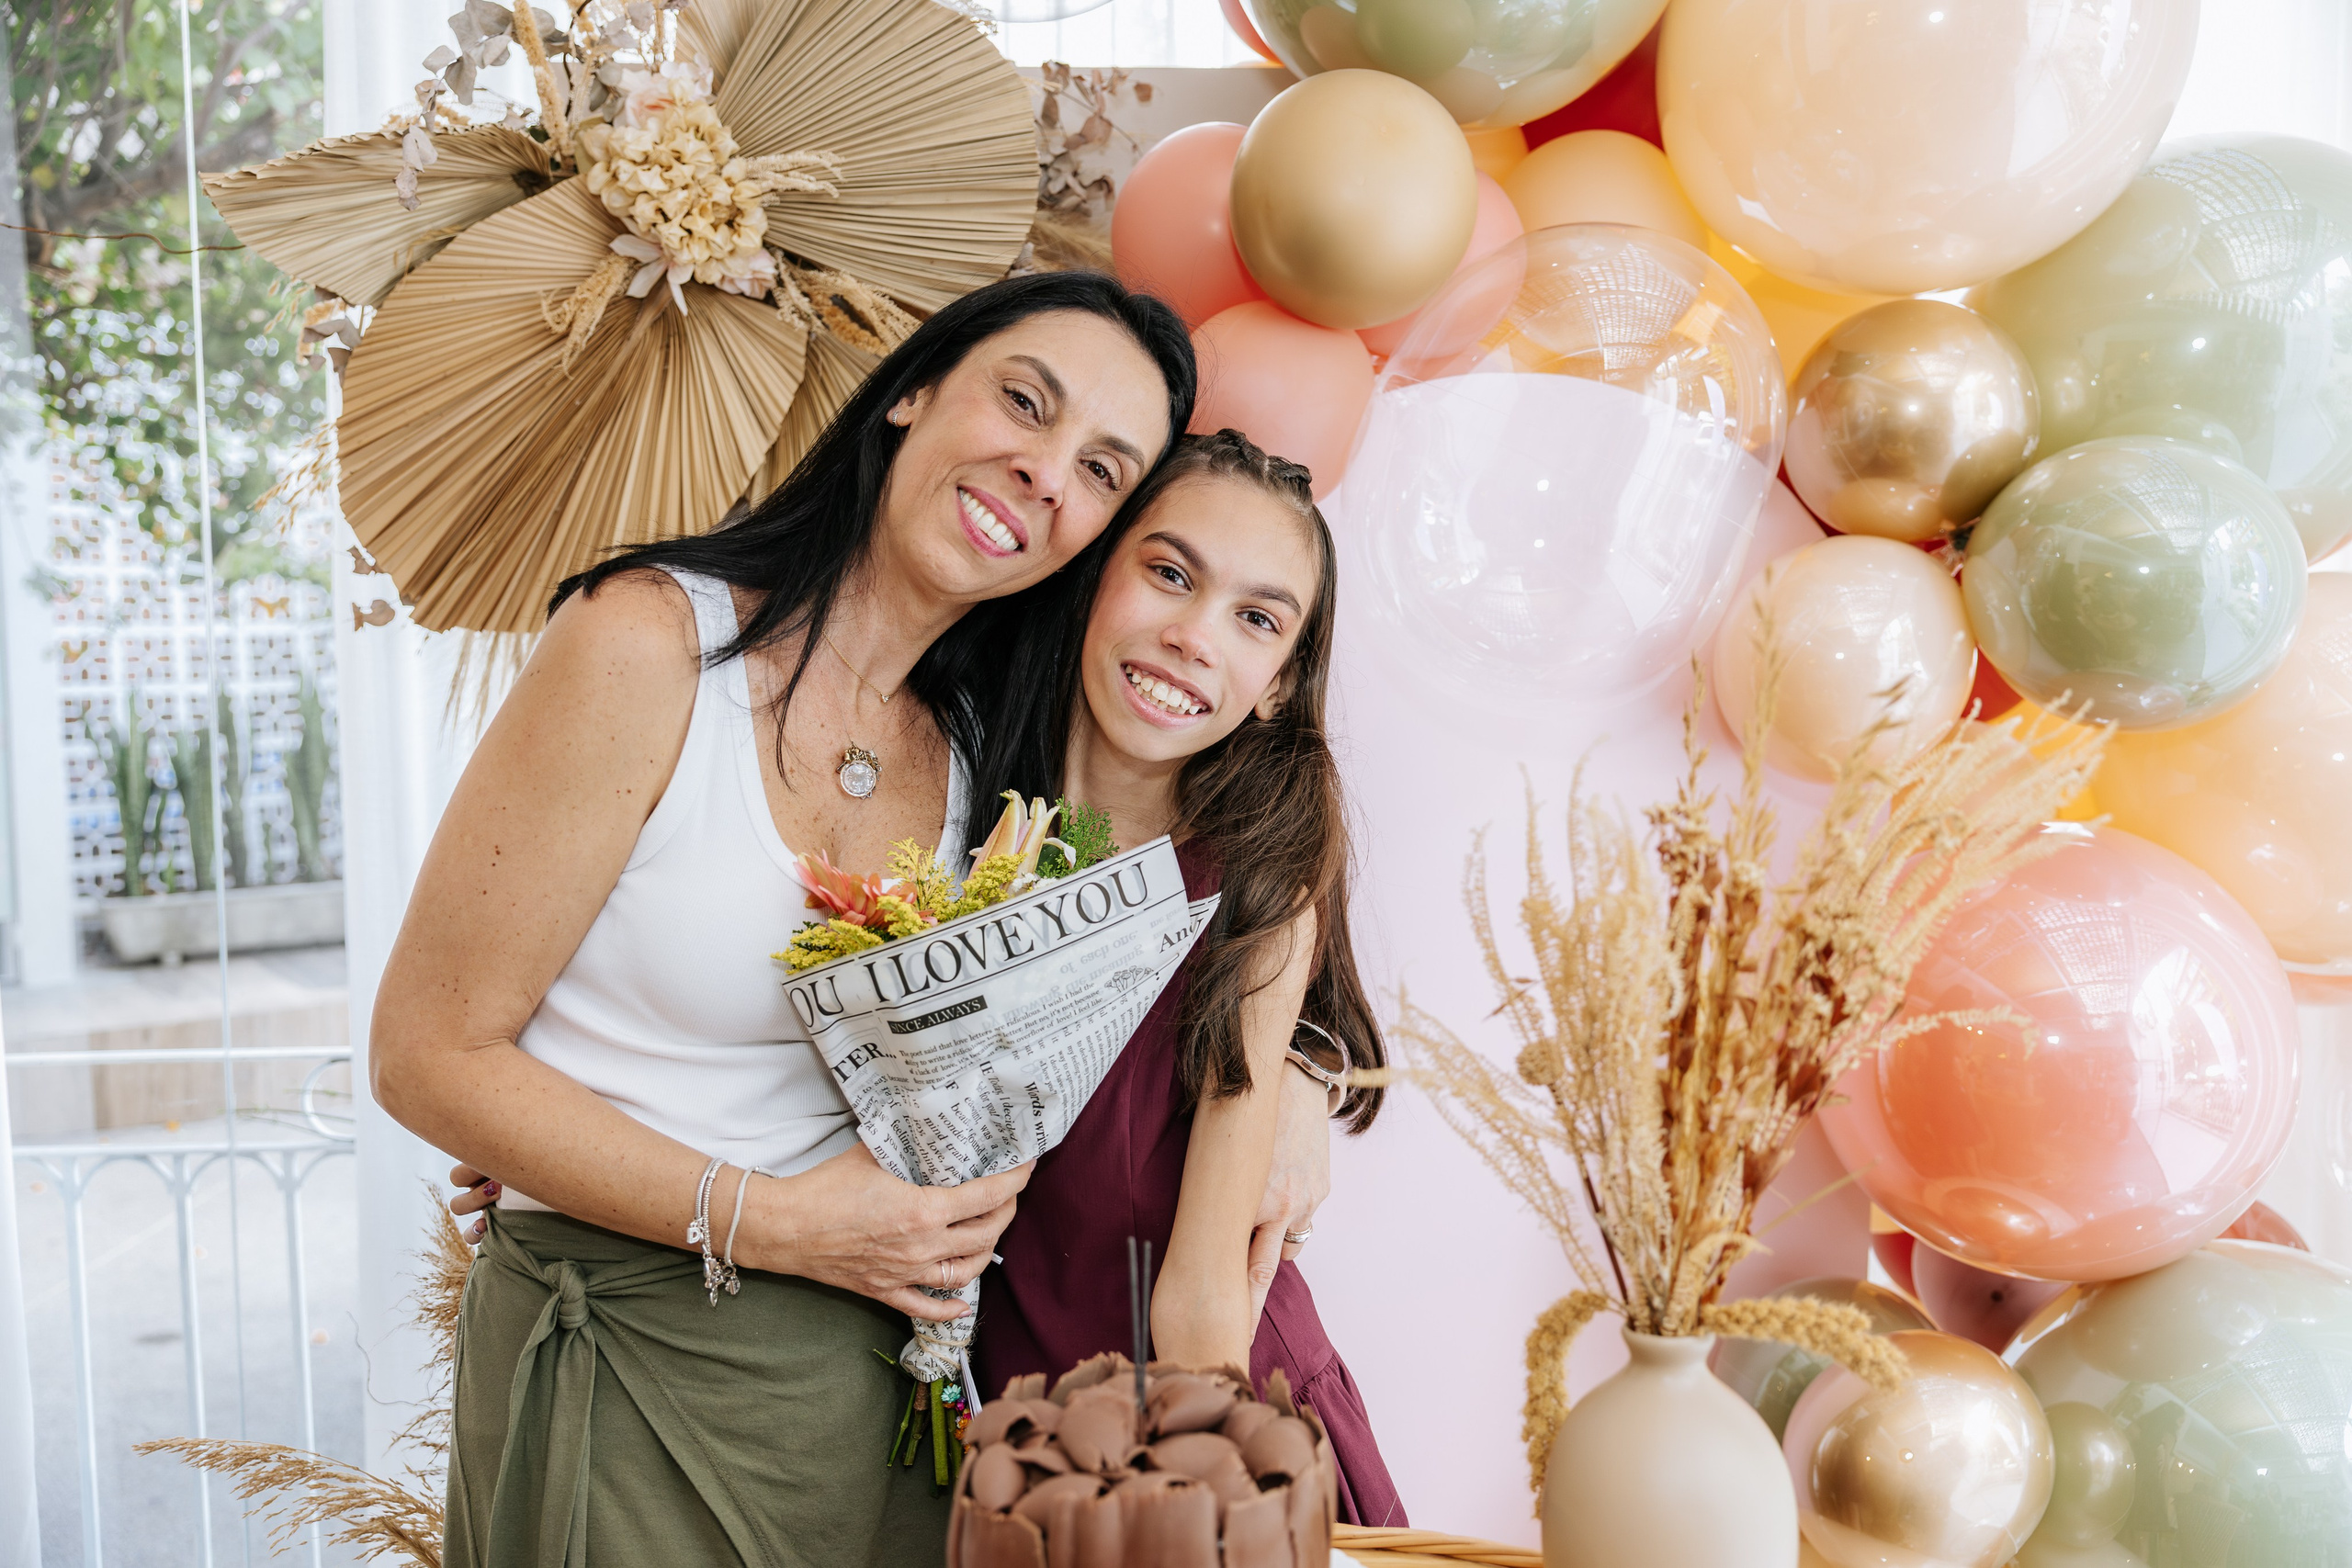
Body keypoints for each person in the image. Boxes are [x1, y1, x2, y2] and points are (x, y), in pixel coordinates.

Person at [372, 272, 1207, 1568]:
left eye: (1100, 469)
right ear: (915, 389)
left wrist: (1308, 1067)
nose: (1045, 474)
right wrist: (784, 1222)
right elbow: (427, 1054)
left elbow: (1237, 786)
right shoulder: (647, 644)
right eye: (1024, 402)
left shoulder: (992, 759)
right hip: (632, 1353)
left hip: (872, 1395)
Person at [967, 429, 1408, 1525]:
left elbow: (1204, 1298)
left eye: (1255, 619)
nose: (1191, 637)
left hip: (1201, 1451)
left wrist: (1202, 1515)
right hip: (1008, 1460)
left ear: (1277, 684)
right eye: (1170, 573)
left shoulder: (1253, 894)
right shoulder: (954, 825)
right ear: (1092, 576)